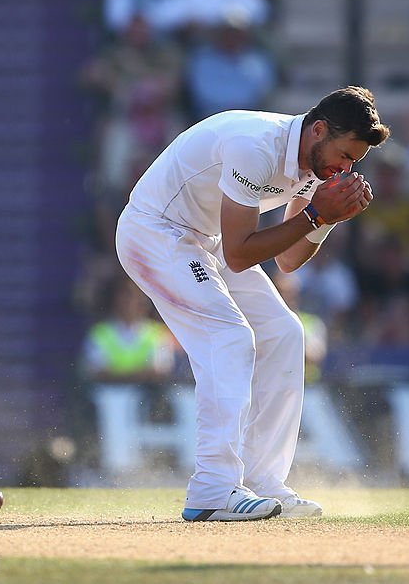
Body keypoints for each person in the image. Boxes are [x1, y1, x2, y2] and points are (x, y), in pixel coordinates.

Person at [116, 86, 389, 521]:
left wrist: (326, 220)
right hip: (155, 233)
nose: (346, 168)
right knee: (230, 336)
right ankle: (212, 489)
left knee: (285, 333)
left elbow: (288, 257)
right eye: (344, 155)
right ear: (318, 129)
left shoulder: (315, 163)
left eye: (355, 162)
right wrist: (316, 215)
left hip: (206, 242)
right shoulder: (255, 146)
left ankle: (264, 483)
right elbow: (241, 254)